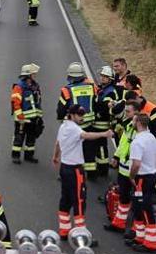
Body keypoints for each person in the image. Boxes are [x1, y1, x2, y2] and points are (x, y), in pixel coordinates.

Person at [53, 104, 114, 240]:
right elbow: (86, 135)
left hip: (64, 168)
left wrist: (55, 156)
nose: (82, 117)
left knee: (65, 199)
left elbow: (57, 143)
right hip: (75, 170)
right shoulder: (75, 129)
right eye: (80, 115)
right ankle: (81, 235)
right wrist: (104, 134)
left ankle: (64, 230)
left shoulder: (63, 126)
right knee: (79, 201)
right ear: (72, 115)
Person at [57, 62, 99, 177]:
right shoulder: (92, 87)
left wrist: (62, 119)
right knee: (89, 149)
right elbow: (96, 102)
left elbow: (61, 108)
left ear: (70, 76)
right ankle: (91, 172)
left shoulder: (66, 90)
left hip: (74, 126)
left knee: (70, 149)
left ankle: (68, 173)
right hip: (89, 123)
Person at [104, 100, 139, 235]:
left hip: (135, 172)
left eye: (128, 111)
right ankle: (119, 224)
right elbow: (123, 144)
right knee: (123, 198)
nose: (126, 113)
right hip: (124, 169)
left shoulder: (141, 131)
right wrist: (116, 157)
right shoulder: (128, 126)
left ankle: (137, 231)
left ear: (136, 113)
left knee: (137, 201)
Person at [127, 113, 156, 252]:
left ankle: (150, 243)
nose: (131, 122)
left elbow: (136, 164)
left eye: (133, 120)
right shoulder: (151, 138)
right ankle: (140, 237)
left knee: (144, 208)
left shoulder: (137, 142)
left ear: (138, 122)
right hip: (150, 175)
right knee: (140, 208)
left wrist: (131, 176)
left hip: (141, 178)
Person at [92, 66, 124, 176]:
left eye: (104, 76)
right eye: (102, 76)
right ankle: (101, 165)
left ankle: (103, 168)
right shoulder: (104, 89)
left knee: (101, 145)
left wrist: (96, 107)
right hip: (99, 121)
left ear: (110, 79)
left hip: (102, 122)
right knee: (98, 145)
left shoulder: (110, 92)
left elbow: (104, 107)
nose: (102, 78)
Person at [10, 64, 43, 163]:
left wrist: (39, 116)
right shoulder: (19, 87)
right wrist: (20, 116)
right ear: (28, 75)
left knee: (31, 138)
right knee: (19, 137)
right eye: (33, 74)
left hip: (33, 117)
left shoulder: (35, 86)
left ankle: (29, 155)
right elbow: (15, 102)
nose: (34, 75)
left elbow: (37, 102)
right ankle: (16, 156)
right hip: (22, 119)